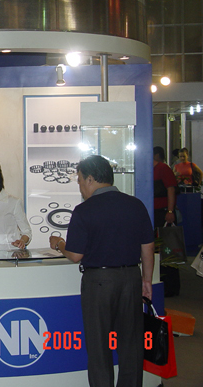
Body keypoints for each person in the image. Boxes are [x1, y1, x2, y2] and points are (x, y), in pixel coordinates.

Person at [49, 155, 154, 387]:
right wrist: (146, 280)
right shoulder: (135, 205)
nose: (80, 186)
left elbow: (75, 255)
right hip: (131, 278)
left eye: (79, 180)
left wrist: (59, 244)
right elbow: (147, 246)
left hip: (99, 282)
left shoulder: (84, 210)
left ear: (90, 179)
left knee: (99, 347)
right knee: (131, 345)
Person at [154, 146, 181, 297]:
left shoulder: (163, 169)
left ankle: (171, 286)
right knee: (157, 250)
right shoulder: (149, 169)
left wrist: (170, 211)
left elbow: (171, 189)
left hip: (164, 213)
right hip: (154, 213)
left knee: (168, 250)